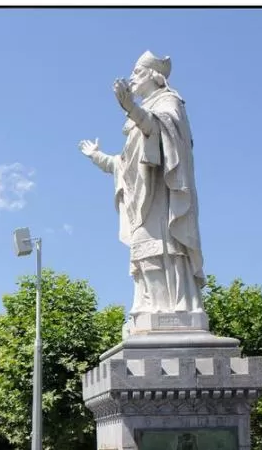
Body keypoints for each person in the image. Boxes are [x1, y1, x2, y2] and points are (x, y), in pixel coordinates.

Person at [79, 51, 205, 321]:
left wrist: (131, 108)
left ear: (151, 74)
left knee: (163, 251)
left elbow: (158, 129)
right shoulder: (138, 120)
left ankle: (172, 313)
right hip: (142, 198)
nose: (132, 78)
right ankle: (150, 310)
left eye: (136, 72)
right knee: (143, 255)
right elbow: (125, 166)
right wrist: (97, 157)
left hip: (162, 196)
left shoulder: (169, 103)